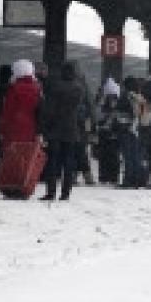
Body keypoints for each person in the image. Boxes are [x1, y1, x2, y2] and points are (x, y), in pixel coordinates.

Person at [38, 61, 85, 201]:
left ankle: (51, 192)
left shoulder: (55, 87)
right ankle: (65, 193)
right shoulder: (79, 88)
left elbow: (48, 109)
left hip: (55, 129)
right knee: (68, 163)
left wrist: (44, 127)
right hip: (71, 129)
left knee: (53, 162)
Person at [117, 77, 148, 189]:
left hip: (127, 128)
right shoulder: (140, 97)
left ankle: (128, 180)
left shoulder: (127, 97)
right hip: (137, 129)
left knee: (128, 156)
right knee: (136, 156)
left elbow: (122, 112)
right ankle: (137, 180)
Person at [95, 78, 122, 185]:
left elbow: (98, 114)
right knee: (112, 155)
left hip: (105, 130)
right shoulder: (116, 98)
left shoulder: (102, 99)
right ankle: (112, 176)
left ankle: (105, 176)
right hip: (112, 130)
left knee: (105, 155)